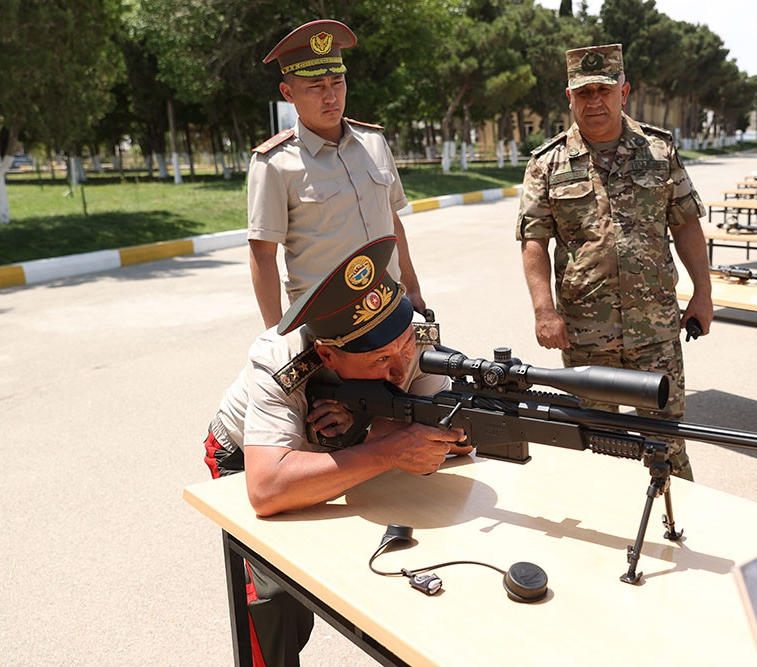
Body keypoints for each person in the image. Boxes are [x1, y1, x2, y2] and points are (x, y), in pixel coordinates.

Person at [203, 236, 470, 666]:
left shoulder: (414, 336)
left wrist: (376, 431)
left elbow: (452, 431)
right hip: (246, 456)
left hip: (351, 449)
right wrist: (387, 449)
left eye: (405, 348)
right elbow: (267, 486)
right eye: (381, 361)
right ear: (327, 355)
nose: (401, 368)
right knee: (277, 597)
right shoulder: (279, 359)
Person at [515, 43, 714, 481]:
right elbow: (534, 241)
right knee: (592, 441)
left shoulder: (659, 151)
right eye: (583, 93)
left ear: (624, 93)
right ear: (569, 97)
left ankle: (677, 529)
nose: (593, 101)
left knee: (667, 440)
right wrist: (544, 311)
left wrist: (703, 291)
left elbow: (685, 224)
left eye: (603, 91)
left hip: (655, 330)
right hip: (586, 334)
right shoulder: (546, 164)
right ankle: (604, 537)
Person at [248, 19, 425, 329]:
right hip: (325, 325)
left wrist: (413, 290)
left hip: (390, 308)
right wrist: (274, 337)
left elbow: (393, 223)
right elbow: (263, 253)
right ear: (288, 93)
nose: (330, 97)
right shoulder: (274, 163)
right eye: (315, 87)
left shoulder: (373, 142)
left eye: (337, 82)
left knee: (439, 377)